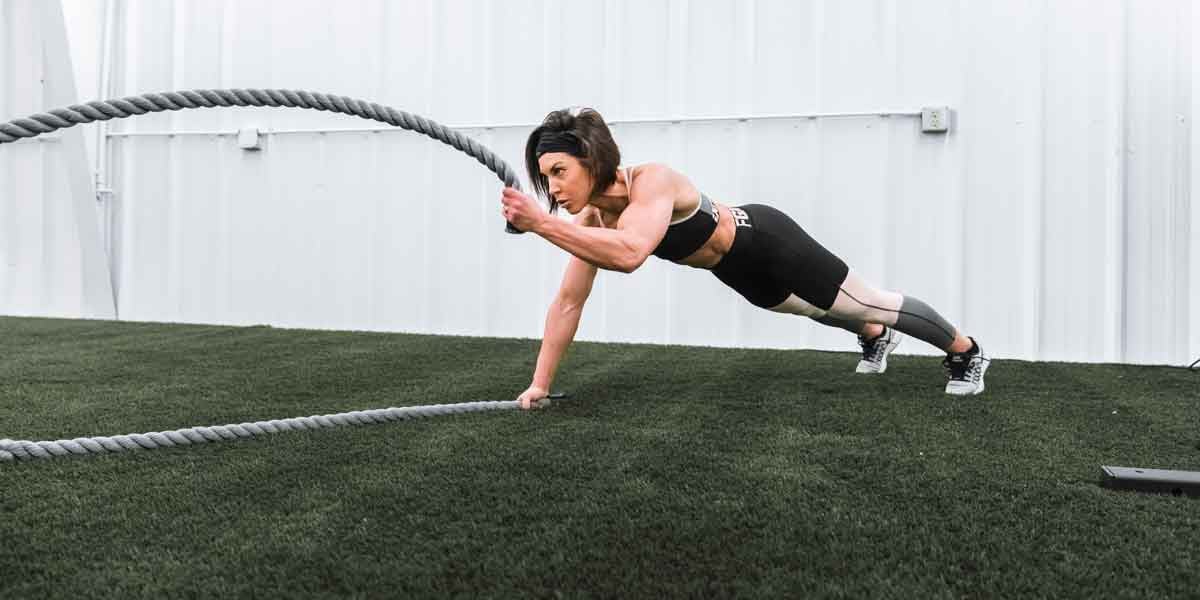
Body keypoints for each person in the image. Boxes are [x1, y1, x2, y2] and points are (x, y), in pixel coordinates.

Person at [499, 107, 990, 410]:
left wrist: (541, 225)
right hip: (735, 272)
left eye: (560, 171)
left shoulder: (652, 182)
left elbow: (630, 255)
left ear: (592, 160)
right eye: (547, 178)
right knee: (823, 311)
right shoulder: (591, 224)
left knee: (867, 302)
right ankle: (876, 339)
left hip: (768, 240)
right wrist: (540, 384)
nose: (554, 188)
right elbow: (568, 303)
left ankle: (966, 352)